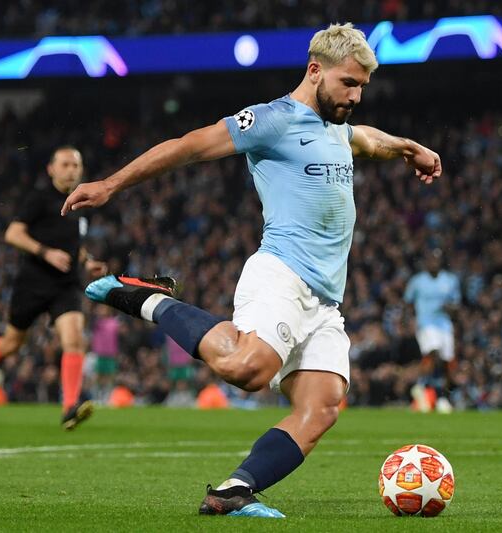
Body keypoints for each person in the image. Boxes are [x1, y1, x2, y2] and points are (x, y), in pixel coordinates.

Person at [61, 23, 441, 518]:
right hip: (280, 272)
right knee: (248, 369)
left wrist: (412, 148)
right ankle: (141, 296)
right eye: (348, 84)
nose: (355, 96)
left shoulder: (340, 131)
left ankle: (234, 491)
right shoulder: (271, 120)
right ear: (314, 71)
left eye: (362, 87)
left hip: (325, 300)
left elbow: (370, 140)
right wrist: (112, 184)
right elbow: (188, 145)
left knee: (322, 406)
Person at [0, 146, 108, 430]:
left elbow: (75, 247)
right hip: (33, 282)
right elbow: (13, 234)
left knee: (74, 339)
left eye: (75, 165)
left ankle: (70, 407)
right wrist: (46, 253)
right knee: (12, 343)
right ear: (51, 169)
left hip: (65, 284)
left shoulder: (81, 205)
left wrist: (88, 261)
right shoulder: (39, 199)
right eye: (65, 164)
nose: (71, 170)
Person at [404, 249, 461, 412]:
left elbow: (456, 305)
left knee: (447, 361)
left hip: (444, 324)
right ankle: (425, 387)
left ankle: (440, 395)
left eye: (436, 260)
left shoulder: (450, 280)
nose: (433, 263)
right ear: (426, 262)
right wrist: (408, 322)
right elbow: (407, 302)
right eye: (430, 260)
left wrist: (450, 308)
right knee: (433, 352)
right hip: (425, 323)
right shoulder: (418, 281)